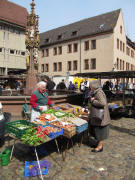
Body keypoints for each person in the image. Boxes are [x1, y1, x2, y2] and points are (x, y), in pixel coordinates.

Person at [89, 80, 111, 152]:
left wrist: (93, 101)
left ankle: (100, 147)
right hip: (100, 115)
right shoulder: (97, 91)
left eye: (90, 86)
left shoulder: (99, 92)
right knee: (98, 131)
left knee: (100, 132)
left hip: (101, 116)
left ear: (93, 86)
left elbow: (102, 103)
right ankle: (98, 144)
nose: (90, 87)